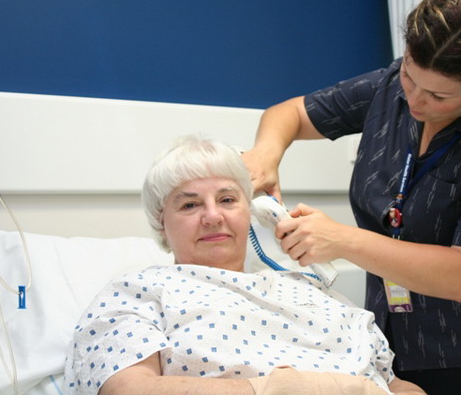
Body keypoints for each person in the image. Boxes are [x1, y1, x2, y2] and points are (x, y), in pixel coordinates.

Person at [241, 0, 461, 394]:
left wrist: (343, 240)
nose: (416, 101)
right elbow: (290, 113)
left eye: (439, 97)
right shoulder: (388, 88)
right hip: (389, 344)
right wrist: (267, 152)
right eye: (410, 76)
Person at [63, 135, 426, 395]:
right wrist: (281, 388)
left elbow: (390, 379)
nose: (212, 216)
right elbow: (128, 389)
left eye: (227, 199)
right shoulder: (138, 293)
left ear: (250, 210)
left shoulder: (308, 288)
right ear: (161, 221)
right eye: (189, 205)